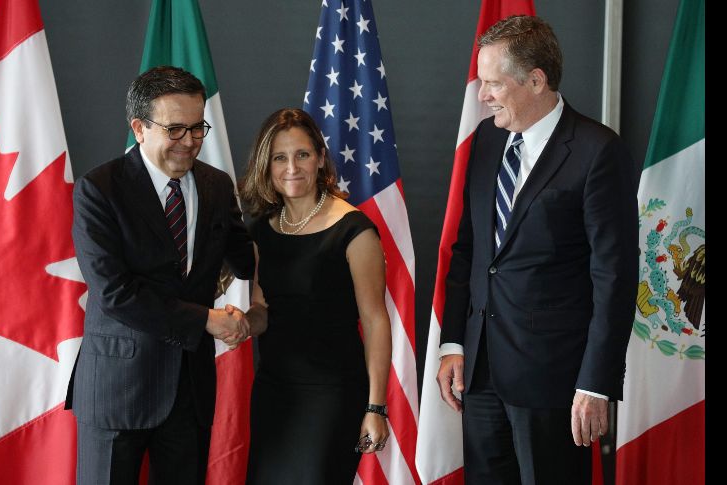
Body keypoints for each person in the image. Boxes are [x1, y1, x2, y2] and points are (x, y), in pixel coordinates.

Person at [436, 15, 640, 485]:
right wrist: (453, 342)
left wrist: (595, 383)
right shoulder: (487, 139)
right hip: (481, 373)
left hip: (556, 383)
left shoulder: (596, 151)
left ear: (535, 80)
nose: (482, 96)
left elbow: (614, 277)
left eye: (492, 84)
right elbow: (468, 249)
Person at [65, 65, 255, 485]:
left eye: (198, 128)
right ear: (139, 127)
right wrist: (206, 320)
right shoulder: (99, 189)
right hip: (118, 389)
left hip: (189, 389)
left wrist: (308, 215)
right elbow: (114, 293)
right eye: (175, 129)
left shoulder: (217, 185)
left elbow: (247, 257)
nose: (190, 142)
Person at [239, 108, 392, 484]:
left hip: (332, 394)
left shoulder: (354, 231)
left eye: (302, 154)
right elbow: (263, 308)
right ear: (266, 166)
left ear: (321, 158)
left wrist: (376, 407)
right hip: (275, 393)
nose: (292, 167)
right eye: (280, 157)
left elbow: (375, 320)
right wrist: (242, 323)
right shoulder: (260, 230)